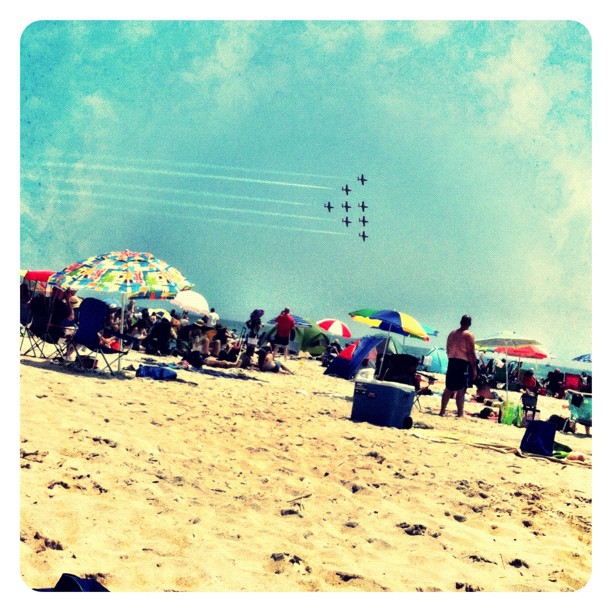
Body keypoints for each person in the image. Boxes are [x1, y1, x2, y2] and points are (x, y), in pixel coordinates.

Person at [439, 315, 477, 418]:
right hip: (462, 363)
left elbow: (448, 349)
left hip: (452, 361)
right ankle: (460, 413)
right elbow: (471, 353)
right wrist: (474, 368)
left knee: (448, 388)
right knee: (461, 389)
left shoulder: (452, 333)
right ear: (469, 324)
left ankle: (442, 411)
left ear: (460, 322)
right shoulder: (468, 335)